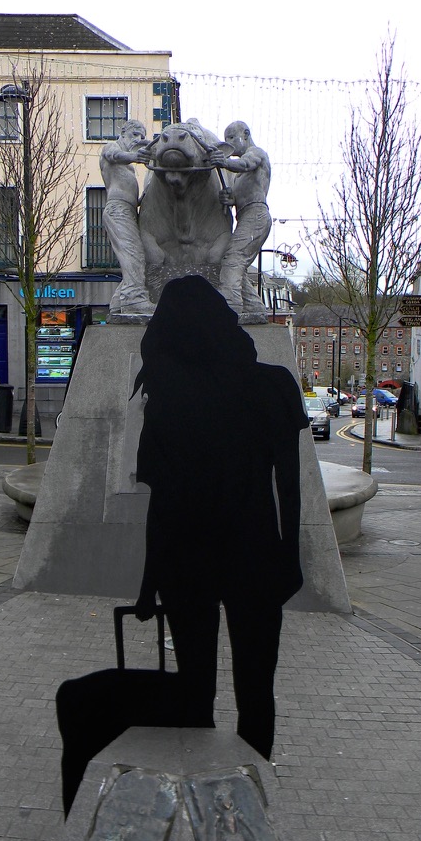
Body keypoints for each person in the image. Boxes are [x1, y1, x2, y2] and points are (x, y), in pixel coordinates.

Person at [133, 275, 309, 760]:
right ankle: (250, 792)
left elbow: (161, 501)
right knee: (257, 693)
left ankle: (203, 787)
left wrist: (149, 583)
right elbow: (289, 488)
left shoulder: (167, 396)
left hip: (186, 559)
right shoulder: (272, 385)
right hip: (254, 554)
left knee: (195, 692)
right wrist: (289, 559)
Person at [209, 121, 272, 316]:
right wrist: (229, 197)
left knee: (232, 260)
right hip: (245, 216)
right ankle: (253, 306)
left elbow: (245, 164)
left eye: (230, 138)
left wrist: (225, 162)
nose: (228, 143)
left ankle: (230, 309)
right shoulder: (238, 178)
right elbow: (236, 198)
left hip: (256, 215)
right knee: (237, 263)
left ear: (245, 134)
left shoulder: (257, 153)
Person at [99, 120, 157, 317]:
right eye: (135, 134)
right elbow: (114, 155)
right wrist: (135, 156)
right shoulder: (112, 147)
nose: (138, 139)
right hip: (118, 209)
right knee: (133, 254)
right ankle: (133, 300)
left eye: (141, 136)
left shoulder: (128, 166)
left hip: (128, 210)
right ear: (123, 132)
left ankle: (118, 303)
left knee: (135, 254)